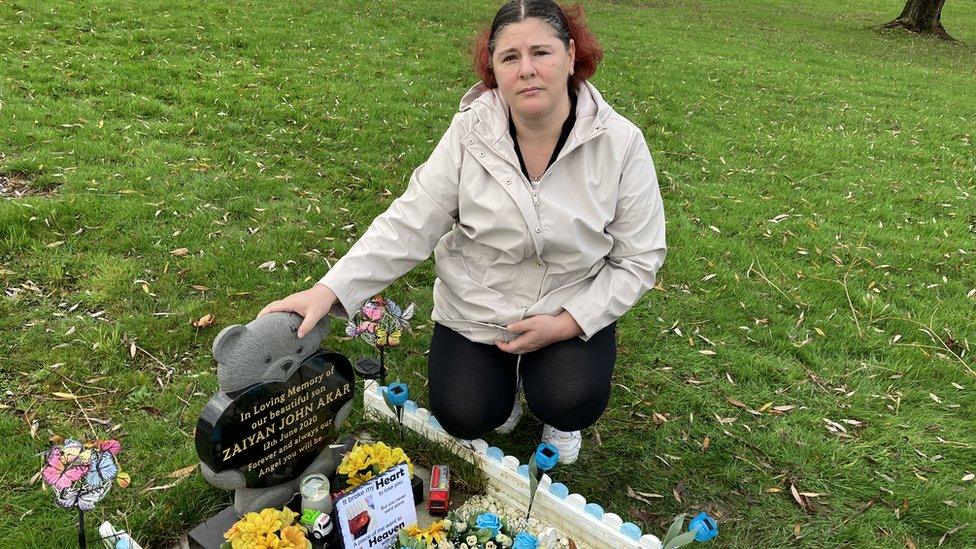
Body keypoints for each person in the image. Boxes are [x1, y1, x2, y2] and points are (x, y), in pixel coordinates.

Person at [258, 0, 666, 464]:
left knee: (570, 397)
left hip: (569, 304)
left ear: (571, 56)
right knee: (464, 413)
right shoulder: (469, 134)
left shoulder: (621, 143)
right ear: (493, 68)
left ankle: (555, 409)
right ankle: (505, 387)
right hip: (478, 307)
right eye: (510, 57)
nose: (527, 69)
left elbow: (639, 257)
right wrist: (330, 290)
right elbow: (412, 219)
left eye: (541, 53)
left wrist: (569, 322)